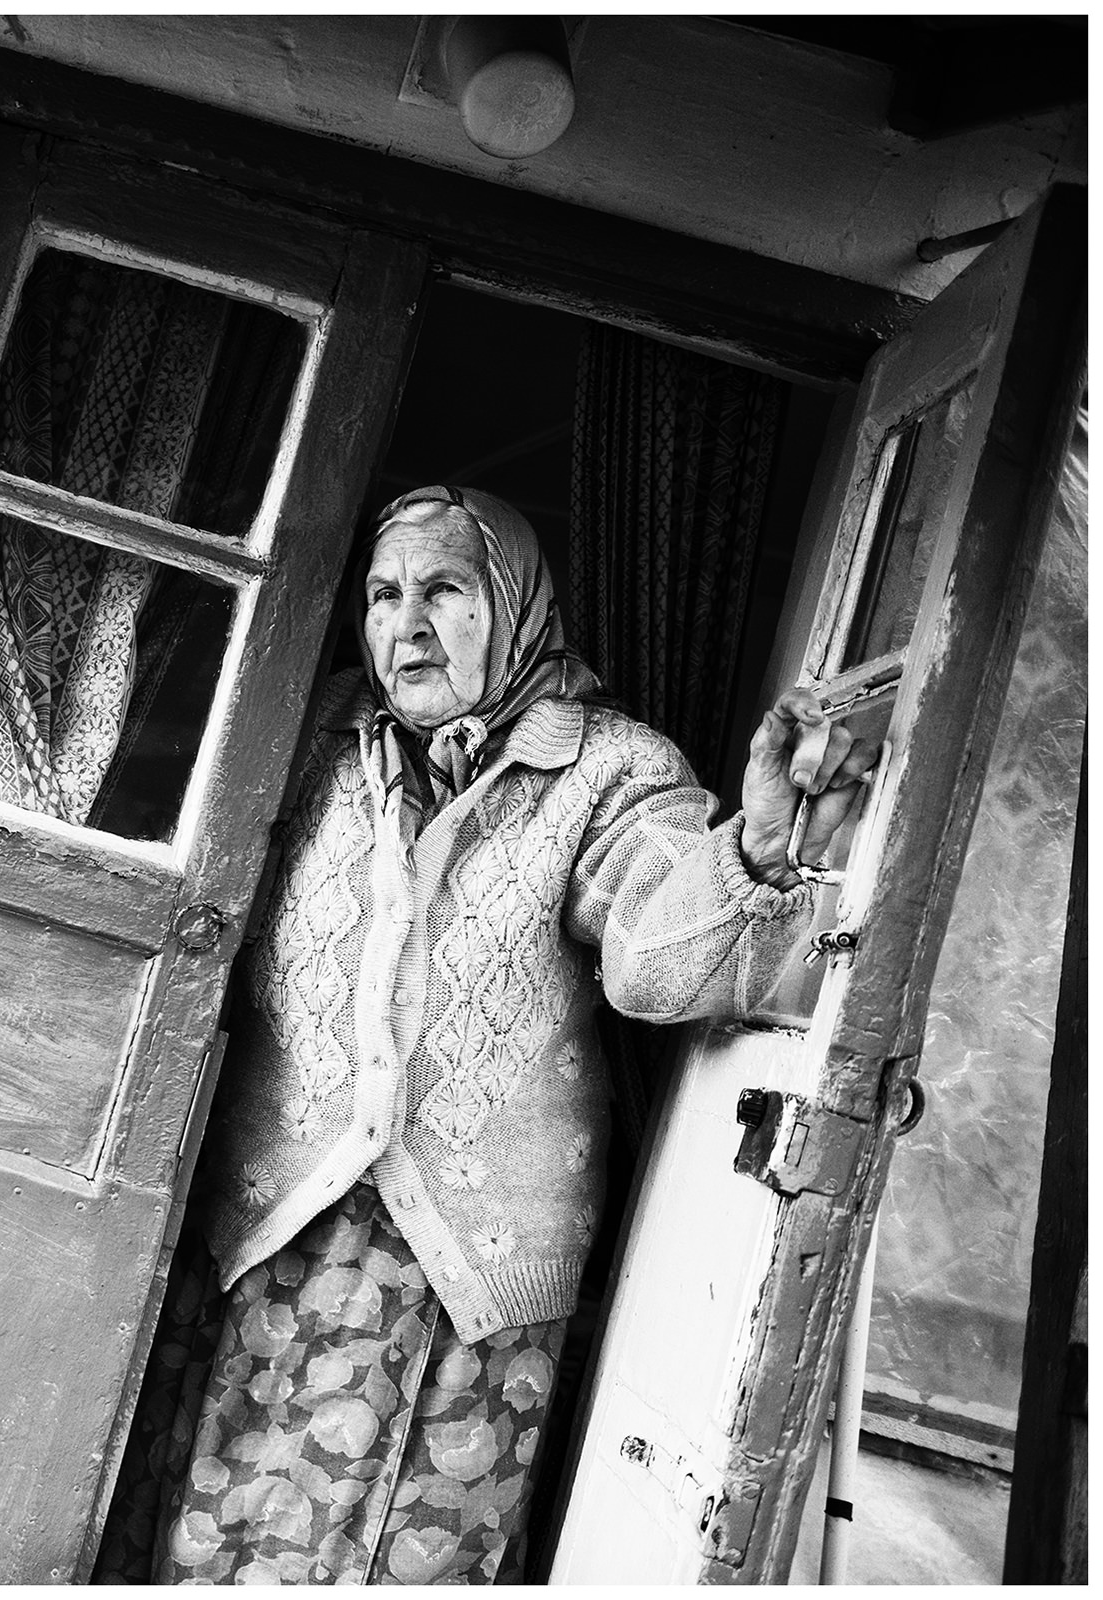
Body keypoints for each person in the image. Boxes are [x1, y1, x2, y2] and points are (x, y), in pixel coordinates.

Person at [143, 486, 877, 1585]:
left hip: (468, 1285)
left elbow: (656, 959)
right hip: (270, 1236)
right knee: (220, 1539)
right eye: (385, 595)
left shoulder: (613, 769)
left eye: (444, 588)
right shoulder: (307, 732)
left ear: (515, 601)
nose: (407, 625)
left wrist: (753, 859)